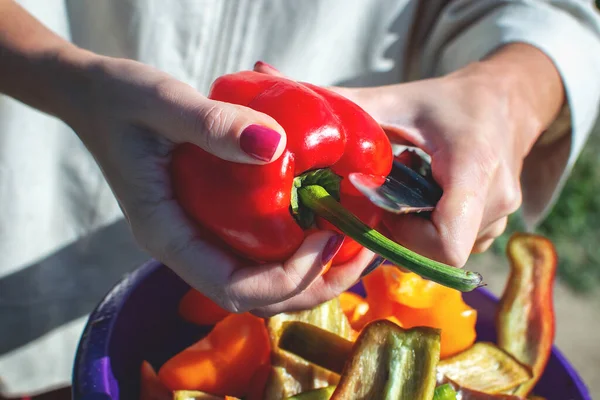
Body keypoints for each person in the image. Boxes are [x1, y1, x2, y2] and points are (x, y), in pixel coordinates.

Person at [1, 0, 599, 398]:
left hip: (354, 188)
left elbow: (552, 15)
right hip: (38, 185)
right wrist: (63, 75)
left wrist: (503, 95)